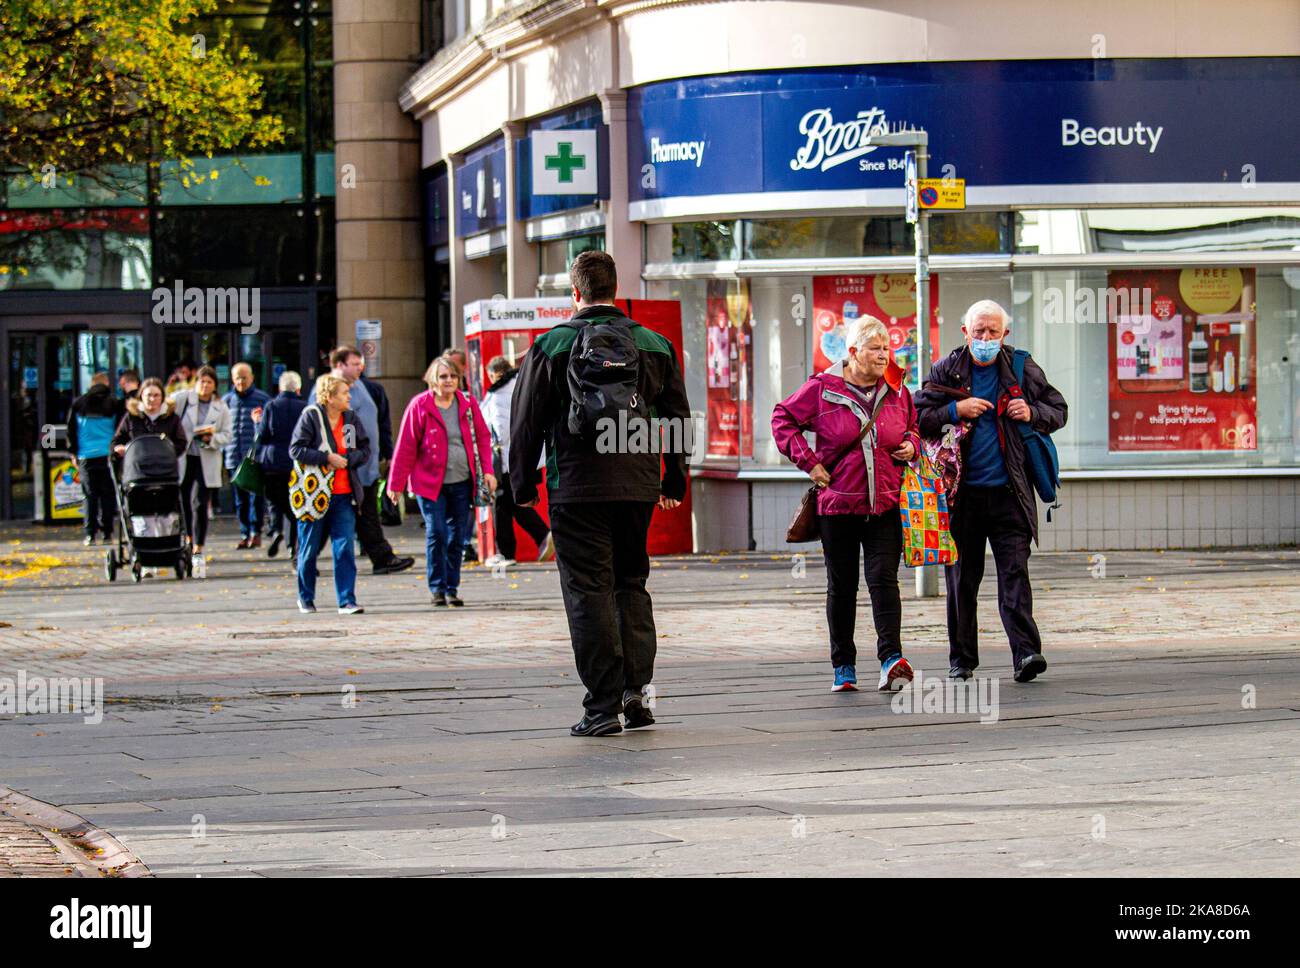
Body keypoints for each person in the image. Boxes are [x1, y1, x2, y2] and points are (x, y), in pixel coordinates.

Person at [510, 250, 691, 737]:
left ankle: (602, 707)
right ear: (617, 287)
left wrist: (521, 485)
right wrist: (674, 479)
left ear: (575, 293)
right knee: (631, 583)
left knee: (588, 590)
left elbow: (525, 420)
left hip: (575, 485)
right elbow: (677, 416)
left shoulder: (551, 345)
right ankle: (637, 692)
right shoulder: (654, 344)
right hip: (636, 484)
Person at [913, 299, 1068, 683]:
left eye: (992, 332)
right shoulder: (947, 368)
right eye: (978, 331)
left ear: (1004, 335)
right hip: (961, 497)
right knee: (962, 580)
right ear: (965, 332)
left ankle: (1027, 654)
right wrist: (955, 410)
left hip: (1010, 493)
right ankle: (961, 659)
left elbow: (1058, 409)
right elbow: (917, 417)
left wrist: (1031, 413)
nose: (985, 338)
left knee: (1015, 574)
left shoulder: (1020, 366)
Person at [772, 316, 920, 693]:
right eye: (875, 349)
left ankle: (891, 659)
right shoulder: (822, 389)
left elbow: (913, 426)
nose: (884, 356)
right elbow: (782, 419)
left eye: (887, 348)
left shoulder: (898, 389)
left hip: (885, 503)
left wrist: (911, 445)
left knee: (884, 580)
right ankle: (844, 667)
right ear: (852, 352)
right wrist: (809, 461)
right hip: (838, 506)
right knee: (843, 586)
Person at [387, 355, 495, 607]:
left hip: (462, 480)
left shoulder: (467, 403)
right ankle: (437, 587)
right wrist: (396, 484)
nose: (449, 381)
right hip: (429, 483)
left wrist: (488, 471)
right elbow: (405, 447)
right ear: (432, 380)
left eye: (453, 376)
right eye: (443, 376)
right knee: (437, 532)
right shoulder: (420, 405)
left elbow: (482, 438)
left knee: (458, 537)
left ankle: (451, 588)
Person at [289, 374, 370, 615]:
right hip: (315, 494)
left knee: (344, 547)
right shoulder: (311, 416)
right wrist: (326, 458)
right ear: (330, 397)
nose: (349, 397)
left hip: (344, 493)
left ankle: (346, 600)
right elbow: (296, 449)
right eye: (344, 393)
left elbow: (363, 449)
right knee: (309, 547)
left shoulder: (350, 419)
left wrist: (349, 459)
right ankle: (305, 597)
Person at [329, 346, 414, 575]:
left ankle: (382, 557)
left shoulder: (363, 387)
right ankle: (303, 557)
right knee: (340, 515)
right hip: (347, 468)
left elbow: (380, 423)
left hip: (365, 465)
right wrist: (347, 456)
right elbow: (337, 426)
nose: (360, 367)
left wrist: (385, 452)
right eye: (354, 364)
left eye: (360, 363)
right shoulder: (333, 391)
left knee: (366, 514)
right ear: (339, 365)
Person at [480, 355, 553, 566]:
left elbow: (500, 432)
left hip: (506, 460)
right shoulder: (524, 382)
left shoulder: (497, 395)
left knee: (503, 506)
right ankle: (539, 536)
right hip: (530, 456)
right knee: (512, 505)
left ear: (494, 374)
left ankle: (506, 553)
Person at [170, 366, 232, 575]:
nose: (205, 386)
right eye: (202, 381)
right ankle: (187, 538)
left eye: (209, 382)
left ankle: (198, 546)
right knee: (183, 500)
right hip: (185, 457)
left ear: (215, 386)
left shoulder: (221, 407)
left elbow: (227, 435)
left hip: (206, 457)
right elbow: (167, 411)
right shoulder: (184, 399)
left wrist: (211, 439)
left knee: (199, 502)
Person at [256, 370, 308, 562]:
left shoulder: (271, 406)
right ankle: (293, 547)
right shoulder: (305, 407)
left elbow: (263, 435)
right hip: (295, 462)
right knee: (294, 506)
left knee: (273, 500)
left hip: (272, 461)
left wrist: (256, 424)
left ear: (280, 388)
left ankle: (275, 529)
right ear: (298, 388)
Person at [67, 372, 121, 545]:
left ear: (91, 384)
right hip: (107, 455)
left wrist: (73, 453)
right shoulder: (114, 404)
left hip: (86, 455)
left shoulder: (79, 403)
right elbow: (120, 430)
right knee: (107, 495)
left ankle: (90, 534)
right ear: (106, 384)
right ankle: (107, 533)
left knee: (89, 495)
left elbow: (71, 430)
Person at [222, 362, 270, 549]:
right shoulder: (226, 400)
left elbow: (267, 427)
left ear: (252, 378)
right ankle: (244, 532)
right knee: (239, 499)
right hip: (233, 455)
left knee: (255, 497)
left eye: (244, 377)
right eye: (237, 378)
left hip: (254, 456)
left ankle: (255, 532)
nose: (241, 381)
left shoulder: (262, 399)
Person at [113, 378, 187, 458]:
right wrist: (119, 449)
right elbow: (117, 440)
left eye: (156, 395)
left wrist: (167, 452)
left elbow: (181, 443)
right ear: (141, 396)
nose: (152, 399)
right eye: (148, 395)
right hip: (138, 465)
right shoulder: (131, 416)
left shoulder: (172, 418)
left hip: (164, 466)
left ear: (162, 397)